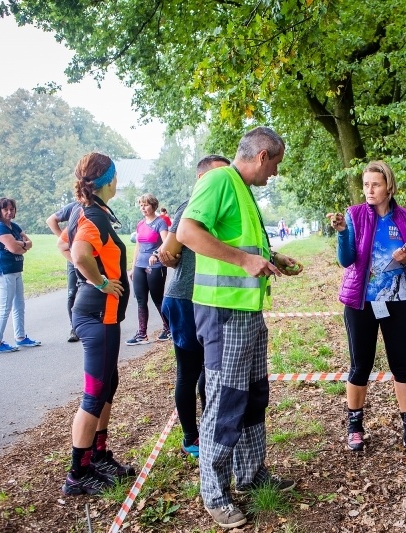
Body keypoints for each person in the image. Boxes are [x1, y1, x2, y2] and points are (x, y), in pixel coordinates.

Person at [177, 126, 303, 529]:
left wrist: (271, 257)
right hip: (223, 313)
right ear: (263, 156)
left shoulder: (241, 188)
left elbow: (240, 242)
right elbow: (187, 232)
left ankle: (250, 474)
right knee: (225, 401)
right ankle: (214, 492)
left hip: (247, 311)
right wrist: (245, 261)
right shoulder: (219, 179)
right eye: (276, 164)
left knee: (252, 396)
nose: (276, 173)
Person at [326, 160, 406, 459]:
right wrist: (342, 232)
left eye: (375, 185)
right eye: (366, 185)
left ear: (389, 187)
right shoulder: (354, 214)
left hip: (399, 301)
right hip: (362, 302)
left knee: (403, 367)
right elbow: (346, 260)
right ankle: (354, 428)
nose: (369, 190)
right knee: (361, 366)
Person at [57, 152, 135, 495]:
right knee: (94, 392)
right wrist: (100, 281)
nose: (118, 181)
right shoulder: (92, 216)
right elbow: (77, 253)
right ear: (107, 180)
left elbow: (63, 244)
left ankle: (98, 456)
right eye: (116, 176)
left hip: (103, 315)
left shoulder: (89, 212)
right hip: (97, 315)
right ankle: (78, 473)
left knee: (107, 384)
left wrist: (91, 275)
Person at [157, 154, 231, 459]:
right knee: (189, 370)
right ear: (202, 178)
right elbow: (168, 251)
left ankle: (209, 427)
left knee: (207, 368)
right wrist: (167, 254)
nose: (226, 182)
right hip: (184, 298)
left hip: (207, 297)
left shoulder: (222, 207)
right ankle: (191, 437)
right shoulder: (189, 206)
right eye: (219, 175)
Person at [0, 197, 41, 353]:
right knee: (5, 308)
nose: (9, 212)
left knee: (19, 305)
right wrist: (22, 246)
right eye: (5, 209)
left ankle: (21, 337)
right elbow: (14, 249)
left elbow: (30, 243)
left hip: (16, 270)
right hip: (4, 272)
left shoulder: (14, 226)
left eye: (12, 209)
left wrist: (22, 244)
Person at [126, 194, 170, 345]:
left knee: (158, 299)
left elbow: (166, 242)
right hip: (140, 265)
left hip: (155, 266)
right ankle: (142, 334)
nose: (143, 208)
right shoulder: (140, 224)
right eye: (141, 205)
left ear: (153, 205)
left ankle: (168, 328)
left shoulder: (160, 223)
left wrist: (156, 254)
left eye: (145, 205)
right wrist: (133, 268)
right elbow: (137, 247)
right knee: (141, 300)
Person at [47, 201, 81, 342]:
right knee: (72, 292)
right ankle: (74, 328)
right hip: (72, 255)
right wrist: (65, 239)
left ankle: (93, 325)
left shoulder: (98, 205)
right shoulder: (75, 206)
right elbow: (51, 220)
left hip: (93, 254)